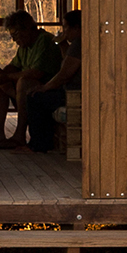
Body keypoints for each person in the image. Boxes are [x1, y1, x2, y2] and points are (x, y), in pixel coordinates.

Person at [0, 10, 62, 149]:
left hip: (46, 91)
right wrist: (2, 74)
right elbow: (14, 65)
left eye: (16, 34)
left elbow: (36, 73)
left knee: (24, 82)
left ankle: (19, 135)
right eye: (12, 36)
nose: (14, 40)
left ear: (28, 28)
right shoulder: (24, 46)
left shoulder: (45, 40)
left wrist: (8, 76)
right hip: (26, 93)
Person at [24, 10, 82, 153]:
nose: (64, 31)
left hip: (74, 94)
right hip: (71, 91)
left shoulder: (79, 44)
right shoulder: (76, 44)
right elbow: (66, 64)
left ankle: (39, 144)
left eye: (66, 27)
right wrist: (62, 45)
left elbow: (65, 74)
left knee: (35, 98)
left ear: (76, 28)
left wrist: (45, 87)